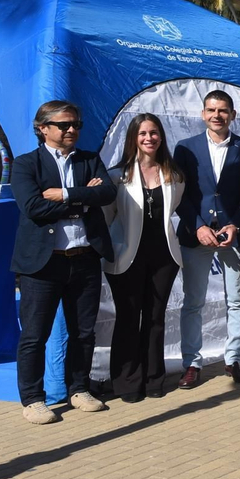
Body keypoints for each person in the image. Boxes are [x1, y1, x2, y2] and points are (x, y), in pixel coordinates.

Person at [9, 100, 117, 424]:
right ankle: (32, 398)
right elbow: (33, 208)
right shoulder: (26, 164)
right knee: (34, 334)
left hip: (84, 258)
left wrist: (66, 195)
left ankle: (79, 388)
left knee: (84, 332)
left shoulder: (89, 159)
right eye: (64, 125)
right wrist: (84, 198)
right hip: (43, 265)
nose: (72, 130)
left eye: (76, 124)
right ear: (43, 128)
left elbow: (108, 193)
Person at [173, 90, 240, 387]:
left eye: (223, 110)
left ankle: (234, 359)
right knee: (193, 302)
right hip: (196, 235)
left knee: (236, 301)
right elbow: (180, 195)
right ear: (202, 113)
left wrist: (236, 224)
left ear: (232, 115)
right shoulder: (185, 148)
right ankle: (192, 364)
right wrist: (197, 226)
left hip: (232, 236)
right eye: (211, 109)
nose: (217, 115)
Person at [102, 113, 183, 404]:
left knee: (155, 318)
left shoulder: (174, 174)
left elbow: (176, 210)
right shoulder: (117, 176)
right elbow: (107, 216)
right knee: (127, 318)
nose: (150, 138)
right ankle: (126, 383)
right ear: (134, 138)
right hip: (126, 258)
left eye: (154, 133)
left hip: (164, 257)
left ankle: (153, 379)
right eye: (143, 133)